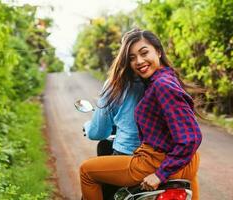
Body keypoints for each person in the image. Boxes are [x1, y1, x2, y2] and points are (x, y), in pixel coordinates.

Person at [79, 28, 203, 200]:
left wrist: (160, 174)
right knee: (189, 180)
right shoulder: (164, 79)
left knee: (86, 171)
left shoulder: (160, 85)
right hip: (186, 161)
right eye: (131, 58)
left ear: (158, 51)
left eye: (144, 52)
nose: (139, 61)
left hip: (153, 161)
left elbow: (190, 137)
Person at [83, 77, 144, 155]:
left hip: (128, 152)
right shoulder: (159, 81)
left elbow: (98, 132)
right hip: (158, 152)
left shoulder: (115, 83)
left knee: (86, 166)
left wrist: (88, 126)